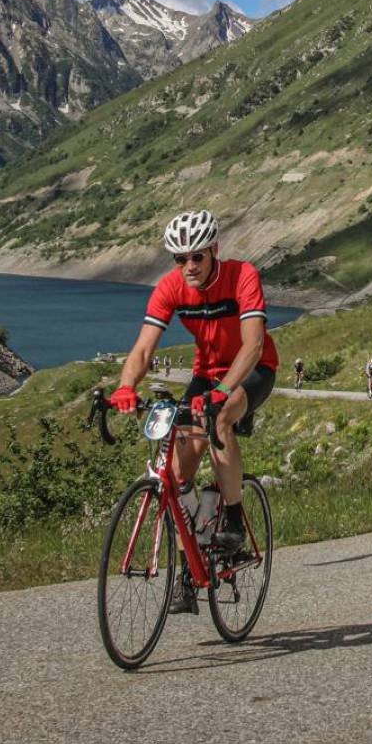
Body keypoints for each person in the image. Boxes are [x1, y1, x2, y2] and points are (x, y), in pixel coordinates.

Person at [110, 209, 277, 588]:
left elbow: (253, 345)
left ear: (214, 250)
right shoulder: (170, 288)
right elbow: (143, 349)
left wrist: (222, 392)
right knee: (177, 474)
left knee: (219, 419)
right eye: (180, 259)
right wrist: (126, 386)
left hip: (252, 370)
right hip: (206, 374)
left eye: (197, 256)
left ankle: (233, 516)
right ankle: (191, 566)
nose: (189, 266)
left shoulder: (242, 276)